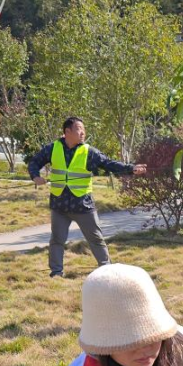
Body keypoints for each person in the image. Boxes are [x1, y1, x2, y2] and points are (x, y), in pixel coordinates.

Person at [28, 117, 146, 279]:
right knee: (57, 240)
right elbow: (34, 162)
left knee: (95, 238)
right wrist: (35, 176)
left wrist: (131, 168)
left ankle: (106, 270)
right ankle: (56, 273)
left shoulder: (89, 152)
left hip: (82, 205)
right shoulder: (52, 148)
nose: (83, 132)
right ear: (67, 132)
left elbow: (109, 164)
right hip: (59, 205)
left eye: (83, 129)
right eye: (79, 129)